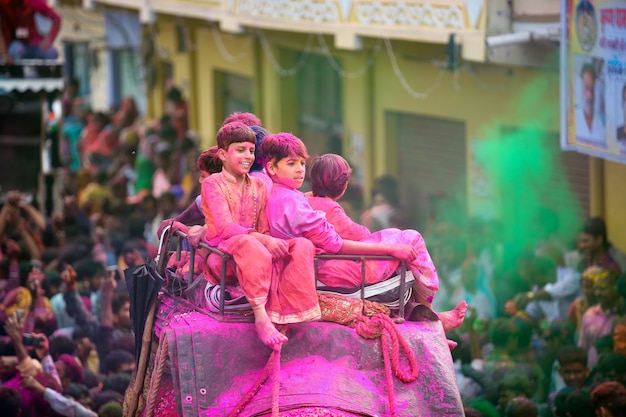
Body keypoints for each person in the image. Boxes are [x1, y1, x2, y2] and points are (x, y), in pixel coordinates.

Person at [262, 138, 466, 331]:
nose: (299, 169)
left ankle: (427, 317)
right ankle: (431, 314)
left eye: (301, 163)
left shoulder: (289, 196)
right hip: (332, 269)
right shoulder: (306, 205)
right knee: (412, 239)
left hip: (317, 266)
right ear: (343, 185)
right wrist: (391, 248)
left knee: (400, 239)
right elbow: (341, 242)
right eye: (291, 163)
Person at [200, 122, 320, 350]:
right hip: (223, 258)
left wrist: (270, 242)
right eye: (240, 150)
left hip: (255, 254)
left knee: (301, 245)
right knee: (249, 244)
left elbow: (264, 228)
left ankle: (289, 312)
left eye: (251, 151)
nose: (247, 156)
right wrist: (265, 241)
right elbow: (225, 227)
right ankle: (261, 317)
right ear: (223, 154)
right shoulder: (212, 184)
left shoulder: (259, 185)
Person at [575, 62, 605, 143]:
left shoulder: (601, 122)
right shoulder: (573, 118)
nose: (589, 94)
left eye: (592, 88)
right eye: (586, 86)